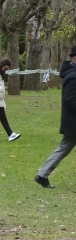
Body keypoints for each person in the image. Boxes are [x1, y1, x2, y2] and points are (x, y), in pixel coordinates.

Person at [34, 46, 76, 189]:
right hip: (73, 122)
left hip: (71, 123)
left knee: (63, 148)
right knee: (63, 148)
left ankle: (42, 175)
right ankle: (42, 175)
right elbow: (71, 100)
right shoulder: (73, 76)